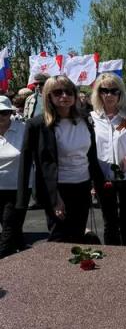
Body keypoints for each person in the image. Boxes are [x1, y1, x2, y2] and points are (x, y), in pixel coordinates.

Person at [16, 75, 105, 243]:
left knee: (78, 237)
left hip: (82, 187)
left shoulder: (85, 119)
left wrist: (98, 185)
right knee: (59, 239)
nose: (64, 96)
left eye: (69, 92)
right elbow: (30, 164)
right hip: (57, 190)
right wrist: (54, 199)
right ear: (48, 96)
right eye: (58, 92)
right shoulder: (37, 125)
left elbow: (91, 156)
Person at [90, 73, 126, 246]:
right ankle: (112, 257)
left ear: (121, 93)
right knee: (109, 222)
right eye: (104, 90)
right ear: (98, 93)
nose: (109, 95)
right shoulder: (91, 119)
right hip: (103, 178)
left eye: (114, 91)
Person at [0, 96, 28, 257]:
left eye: (4, 112)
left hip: (18, 187)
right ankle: (22, 255)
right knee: (13, 228)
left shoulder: (23, 129)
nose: (0, 116)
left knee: (9, 226)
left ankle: (3, 259)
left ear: (11, 113)